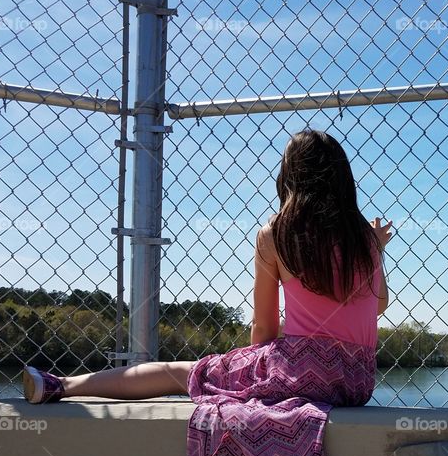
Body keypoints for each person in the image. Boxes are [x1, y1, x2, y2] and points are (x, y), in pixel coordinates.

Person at [22, 127, 392, 405]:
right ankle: (62, 385)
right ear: (343, 179)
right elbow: (376, 306)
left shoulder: (276, 233)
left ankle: (63, 385)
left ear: (289, 176)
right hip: (356, 382)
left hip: (301, 376)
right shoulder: (364, 237)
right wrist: (377, 249)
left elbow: (262, 327)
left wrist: (252, 361)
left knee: (181, 372)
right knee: (283, 339)